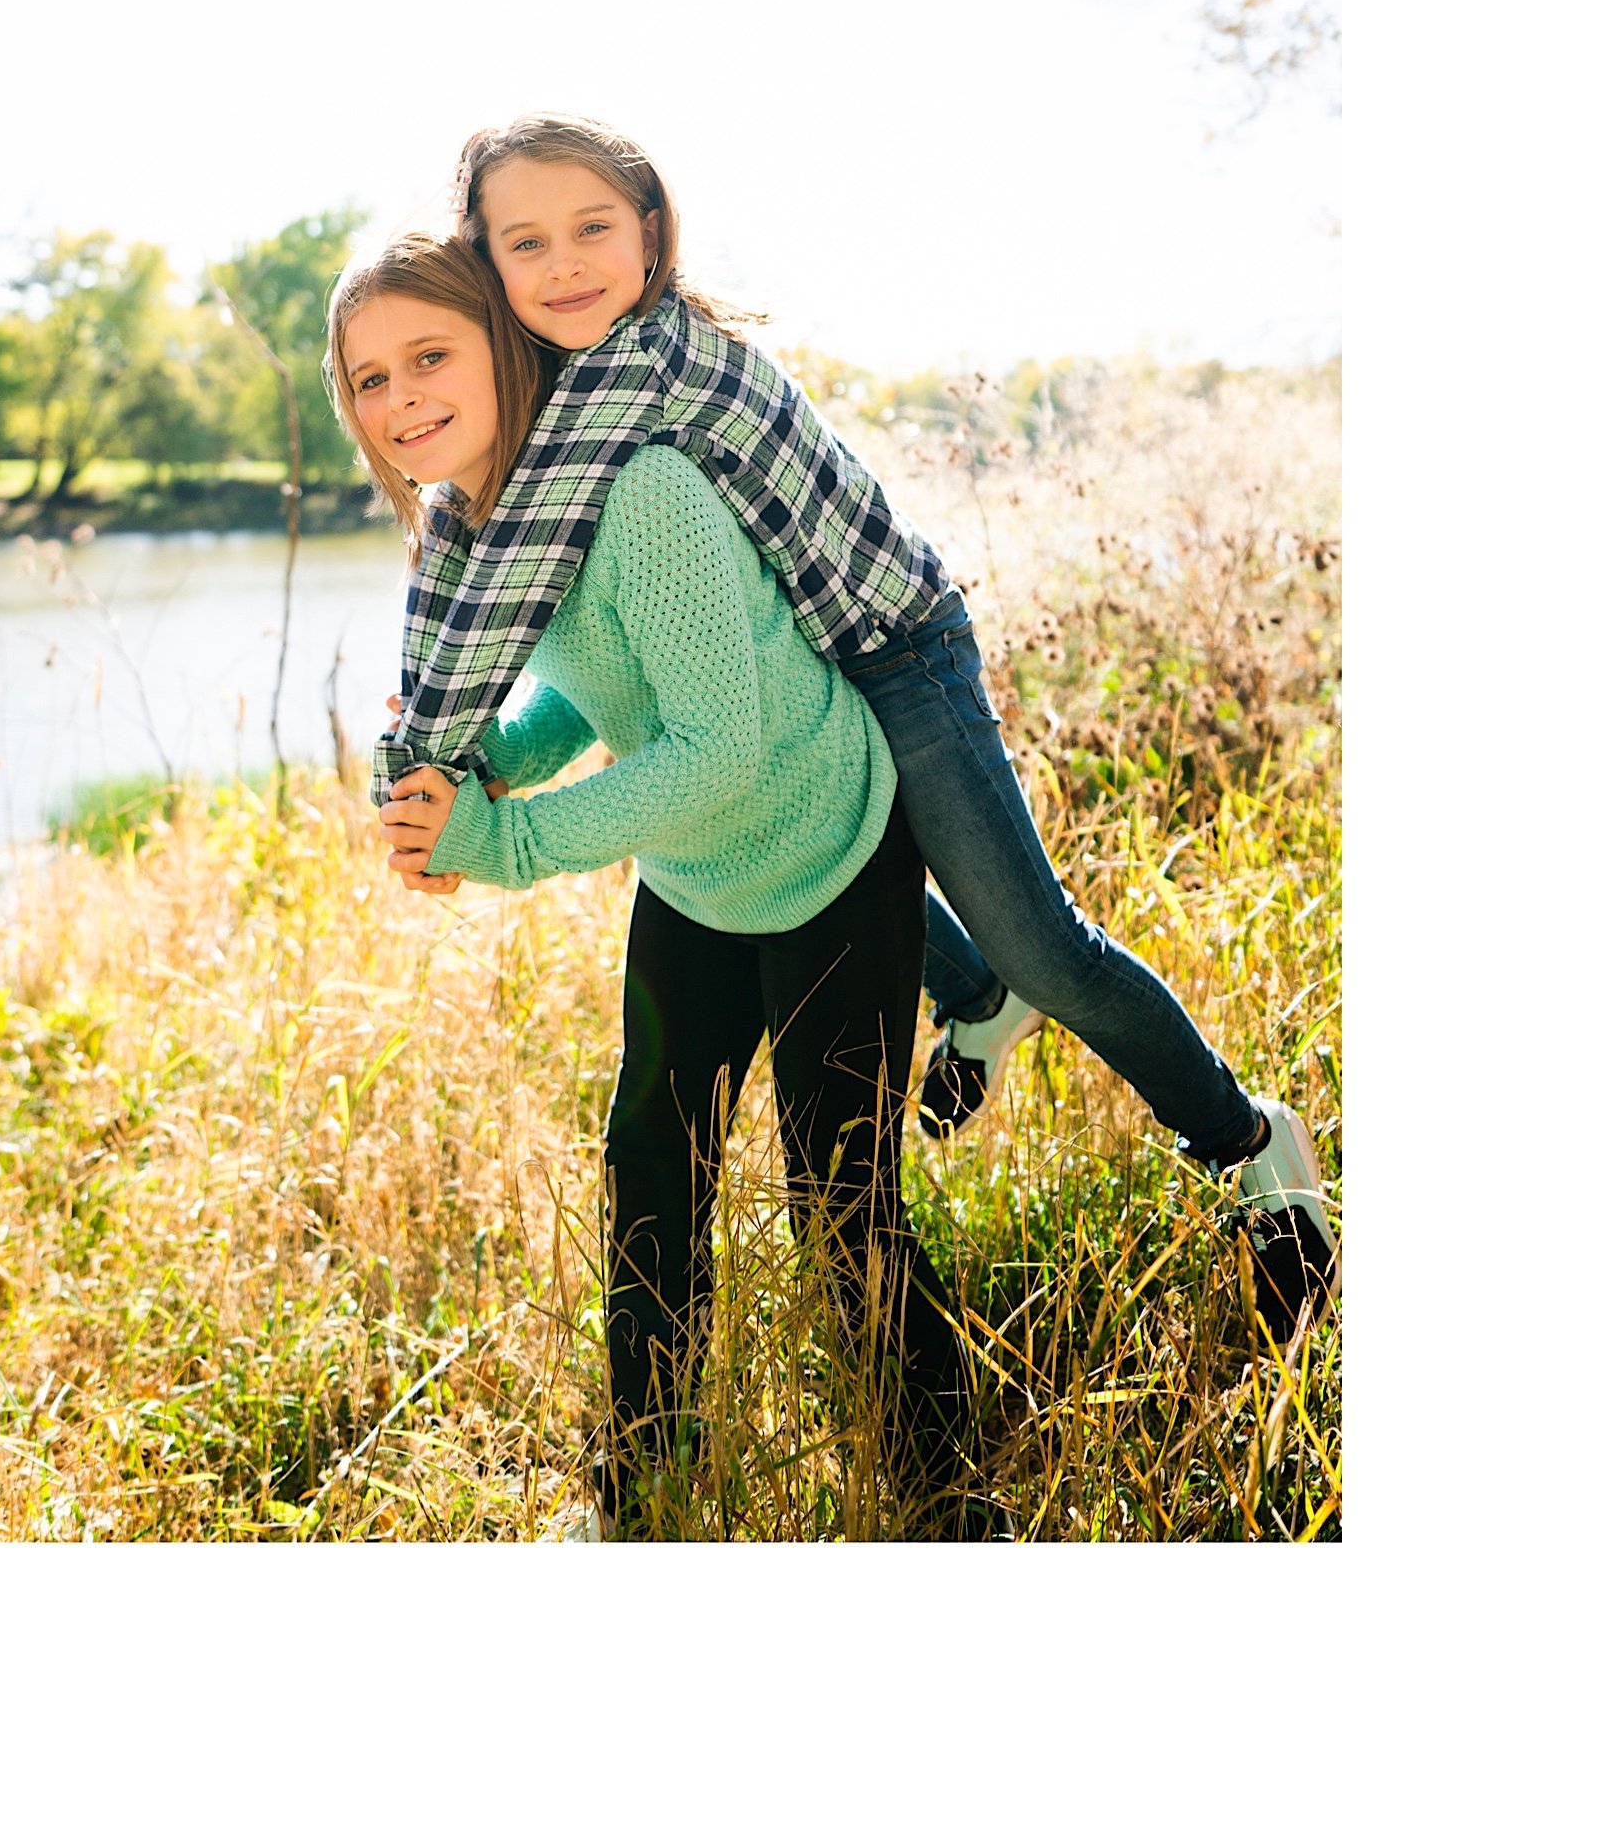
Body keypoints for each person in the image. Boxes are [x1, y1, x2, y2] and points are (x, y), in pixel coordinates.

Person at [371, 114, 1339, 1340]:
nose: (564, 263)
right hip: (804, 683)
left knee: (1045, 946)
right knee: (839, 834)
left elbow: (497, 567)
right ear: (485, 260)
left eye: (592, 229)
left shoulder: (637, 365)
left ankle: (1247, 1143)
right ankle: (974, 996)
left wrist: (436, 765)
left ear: (652, 231)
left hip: (898, 648)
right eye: (524, 241)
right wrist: (459, 764)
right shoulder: (561, 393)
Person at [330, 231, 967, 1539]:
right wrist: (494, 763)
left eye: (431, 355)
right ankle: (644, 1486)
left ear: (507, 344)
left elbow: (718, 745)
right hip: (695, 875)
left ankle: (949, 1495)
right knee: (649, 1173)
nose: (402, 399)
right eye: (369, 378)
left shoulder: (646, 492)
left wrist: (504, 843)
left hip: (828, 845)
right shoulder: (489, 523)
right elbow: (596, 681)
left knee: (839, 1205)